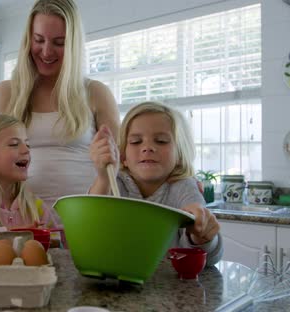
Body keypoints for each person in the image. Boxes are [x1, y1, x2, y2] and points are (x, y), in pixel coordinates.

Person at [0, 0, 120, 209]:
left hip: (85, 219)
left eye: (59, 42)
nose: (46, 51)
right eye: (39, 40)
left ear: (73, 46)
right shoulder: (5, 93)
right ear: (28, 39)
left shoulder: (96, 93)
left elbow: (119, 167)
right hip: (21, 220)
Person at [89, 101, 223, 265]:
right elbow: (89, 229)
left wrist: (200, 237)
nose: (147, 147)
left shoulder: (184, 187)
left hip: (168, 287)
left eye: (161, 141)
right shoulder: (113, 183)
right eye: (136, 142)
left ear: (180, 154)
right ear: (123, 156)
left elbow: (209, 258)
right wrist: (103, 178)